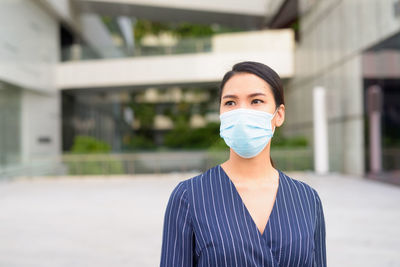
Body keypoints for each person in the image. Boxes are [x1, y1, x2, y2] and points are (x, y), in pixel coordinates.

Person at [160, 61, 327, 267]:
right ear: (221, 113)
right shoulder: (189, 196)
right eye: (230, 103)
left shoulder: (306, 199)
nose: (241, 112)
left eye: (256, 101)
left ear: (279, 115)